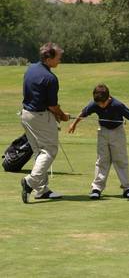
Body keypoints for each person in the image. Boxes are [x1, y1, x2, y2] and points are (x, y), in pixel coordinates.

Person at [68, 84, 129, 199]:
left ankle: (127, 188)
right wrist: (73, 124)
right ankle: (96, 188)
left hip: (118, 132)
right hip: (103, 132)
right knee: (102, 160)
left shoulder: (117, 105)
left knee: (120, 159)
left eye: (102, 103)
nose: (100, 105)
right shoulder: (95, 103)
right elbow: (83, 113)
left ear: (108, 98)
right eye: (98, 103)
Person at [21, 42, 70, 203]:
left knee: (38, 151)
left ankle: (41, 190)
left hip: (26, 115)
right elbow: (52, 106)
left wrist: (57, 113)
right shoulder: (50, 78)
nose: (60, 60)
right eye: (58, 57)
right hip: (40, 116)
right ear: (49, 58)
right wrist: (62, 116)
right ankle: (30, 181)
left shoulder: (31, 68)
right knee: (49, 150)